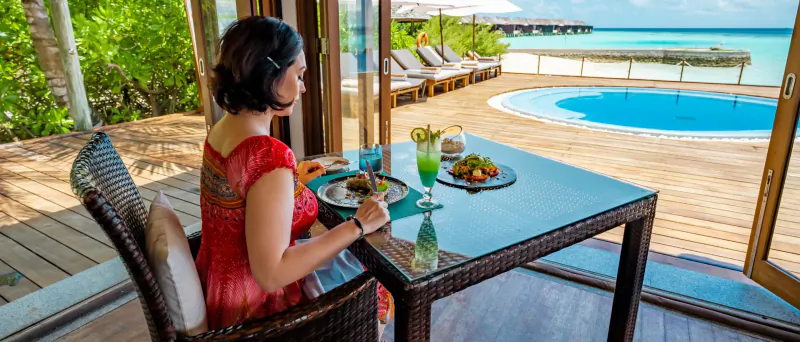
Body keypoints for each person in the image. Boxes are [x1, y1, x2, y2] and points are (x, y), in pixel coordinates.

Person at [196, 16, 392, 330]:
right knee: (380, 277)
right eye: (299, 75)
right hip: (260, 314)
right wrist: (358, 224)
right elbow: (271, 273)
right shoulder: (268, 155)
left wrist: (291, 183)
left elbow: (240, 196)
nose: (303, 87)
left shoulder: (222, 129)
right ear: (269, 74)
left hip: (221, 289)